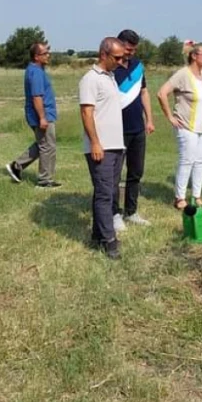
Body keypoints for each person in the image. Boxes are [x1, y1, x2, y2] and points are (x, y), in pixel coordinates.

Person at [79, 37, 128, 259]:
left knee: (108, 190)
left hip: (116, 145)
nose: (121, 61)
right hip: (101, 147)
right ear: (103, 54)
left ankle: (98, 235)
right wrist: (96, 142)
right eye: (117, 57)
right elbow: (86, 113)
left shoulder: (111, 78)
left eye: (123, 57)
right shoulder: (90, 79)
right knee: (105, 193)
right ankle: (109, 241)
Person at [157, 42, 202, 210]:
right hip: (186, 125)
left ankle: (197, 195)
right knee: (187, 160)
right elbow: (161, 93)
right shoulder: (182, 74)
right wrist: (170, 117)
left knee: (200, 161)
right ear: (194, 56)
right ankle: (179, 197)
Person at [111, 29, 155, 229]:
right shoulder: (111, 67)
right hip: (116, 130)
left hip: (137, 128)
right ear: (119, 45)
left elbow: (144, 92)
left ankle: (131, 211)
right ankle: (114, 213)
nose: (130, 53)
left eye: (134, 50)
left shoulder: (138, 66)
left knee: (136, 172)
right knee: (114, 174)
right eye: (128, 49)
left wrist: (150, 119)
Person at [6, 42, 60, 188]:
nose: (48, 55)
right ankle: (44, 181)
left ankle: (16, 166)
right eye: (45, 53)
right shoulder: (35, 72)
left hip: (43, 114)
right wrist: (42, 117)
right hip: (41, 115)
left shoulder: (36, 70)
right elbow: (37, 97)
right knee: (47, 146)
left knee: (43, 144)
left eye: (48, 52)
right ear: (36, 56)